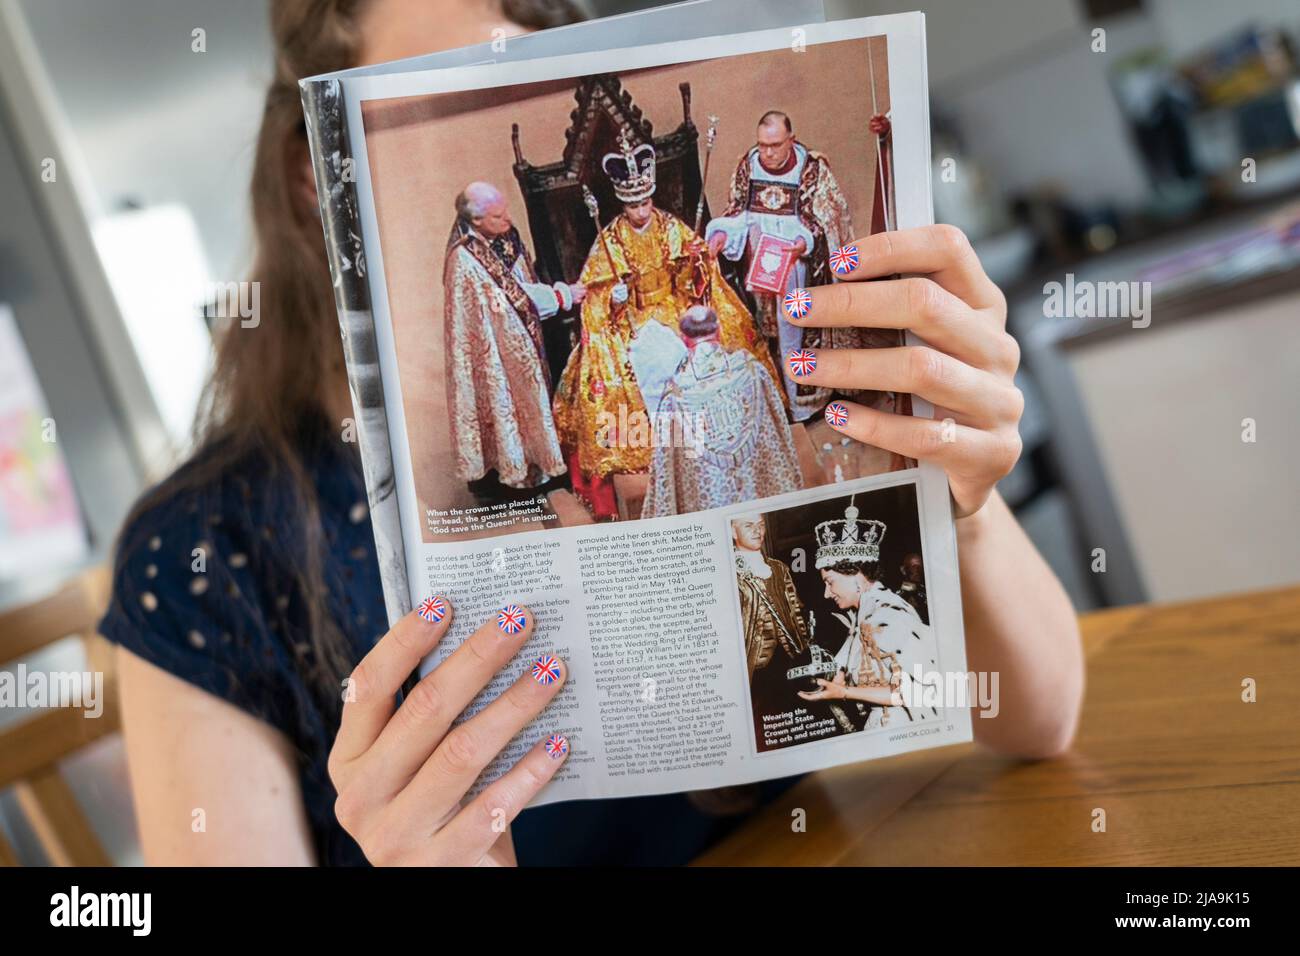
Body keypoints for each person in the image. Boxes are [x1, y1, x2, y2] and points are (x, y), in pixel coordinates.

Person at [100, 0, 1084, 867]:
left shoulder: (653, 243)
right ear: (315, 172)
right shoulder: (204, 551)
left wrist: (961, 495)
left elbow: (1041, 718)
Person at [553, 131, 783, 519]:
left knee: (708, 347)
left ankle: (716, 435)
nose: (641, 212)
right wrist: (614, 298)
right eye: (632, 205)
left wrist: (695, 267)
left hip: (675, 307)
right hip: (636, 319)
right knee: (633, 363)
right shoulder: (610, 238)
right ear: (622, 203)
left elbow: (695, 275)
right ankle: (657, 444)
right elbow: (594, 292)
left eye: (645, 202)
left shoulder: (669, 226)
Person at [706, 110, 896, 419]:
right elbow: (737, 211)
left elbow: (831, 218)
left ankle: (806, 404)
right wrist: (722, 236)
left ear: (790, 140)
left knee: (795, 330)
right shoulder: (747, 166)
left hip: (801, 270)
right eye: (762, 145)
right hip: (760, 268)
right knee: (770, 335)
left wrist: (804, 242)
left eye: (775, 145)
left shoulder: (811, 170)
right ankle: (781, 400)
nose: (767, 152)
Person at [443, 181, 583, 491]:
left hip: (525, 343)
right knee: (504, 403)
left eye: (506, 211)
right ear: (476, 221)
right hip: (496, 353)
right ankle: (516, 469)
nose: (508, 220)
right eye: (497, 216)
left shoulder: (504, 234)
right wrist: (561, 296)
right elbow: (506, 304)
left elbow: (521, 279)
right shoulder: (464, 262)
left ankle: (541, 461)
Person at [641, 306, 799, 518]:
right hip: (759, 493)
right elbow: (777, 427)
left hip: (711, 501)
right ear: (719, 329)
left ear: (683, 338)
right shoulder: (752, 370)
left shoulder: (675, 396)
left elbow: (666, 467)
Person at [797, 499, 935, 729]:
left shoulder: (886, 614)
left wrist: (844, 692)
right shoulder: (866, 613)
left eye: (830, 582)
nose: (826, 594)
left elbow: (911, 693)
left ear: (857, 576)